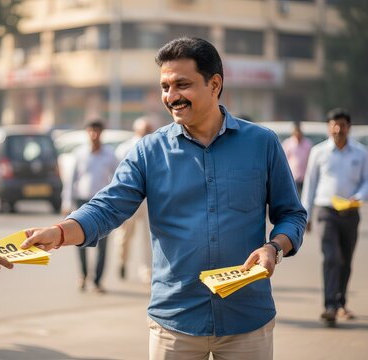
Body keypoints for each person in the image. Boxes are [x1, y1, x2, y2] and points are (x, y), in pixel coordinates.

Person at [21, 37, 306, 360]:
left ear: (215, 85)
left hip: (247, 319)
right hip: (176, 322)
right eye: (165, 87)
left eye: (182, 85)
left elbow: (292, 214)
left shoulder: (262, 144)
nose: (171, 97)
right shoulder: (148, 152)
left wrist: (274, 248)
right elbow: (108, 207)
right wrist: (60, 232)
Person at [301, 108, 368, 326]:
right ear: (329, 127)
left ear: (349, 127)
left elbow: (366, 180)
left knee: (346, 259)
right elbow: (310, 184)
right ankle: (330, 305)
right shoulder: (319, 152)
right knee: (331, 257)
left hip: (350, 211)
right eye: (334, 125)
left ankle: (341, 303)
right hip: (325, 211)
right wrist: (305, 214)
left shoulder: (360, 153)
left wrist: (359, 195)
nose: (338, 129)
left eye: (342, 125)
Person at [61, 119, 119, 293]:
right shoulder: (79, 153)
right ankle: (83, 275)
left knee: (103, 244)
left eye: (97, 131)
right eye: (91, 131)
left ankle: (97, 280)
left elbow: (118, 179)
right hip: (82, 200)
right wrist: (66, 202)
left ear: (102, 133)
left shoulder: (109, 154)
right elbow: (71, 180)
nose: (94, 135)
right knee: (80, 239)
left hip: (102, 203)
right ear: (87, 132)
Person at [114, 116, 153, 283]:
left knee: (148, 237)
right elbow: (117, 175)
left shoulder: (155, 147)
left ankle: (147, 271)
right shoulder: (125, 148)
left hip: (149, 200)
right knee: (125, 235)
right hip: (130, 199)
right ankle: (122, 261)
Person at [281, 122, 312, 195]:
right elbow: (283, 161)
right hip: (292, 178)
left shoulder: (307, 144)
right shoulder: (287, 143)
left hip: (305, 178)